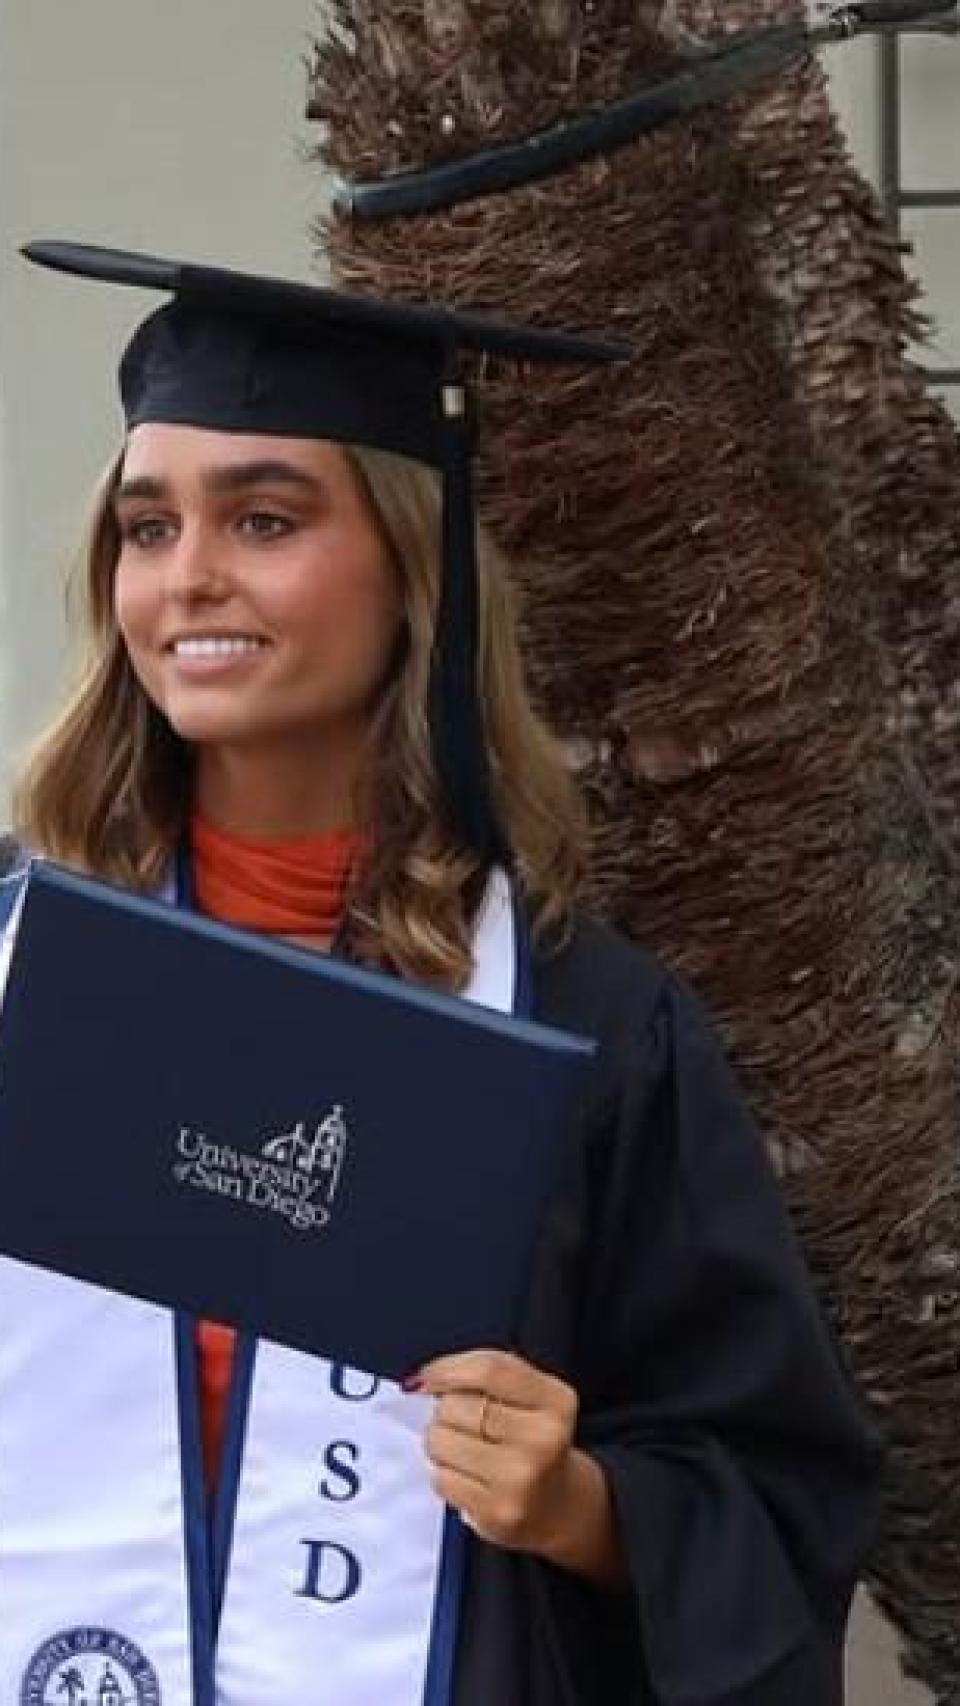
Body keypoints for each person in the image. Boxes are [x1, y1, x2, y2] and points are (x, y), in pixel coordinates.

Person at [0, 240, 878, 1706]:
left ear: (417, 572)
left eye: (265, 517)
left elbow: (773, 1498)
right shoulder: (22, 971)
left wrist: (574, 1503)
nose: (190, 573)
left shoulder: (592, 1032)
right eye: (147, 528)